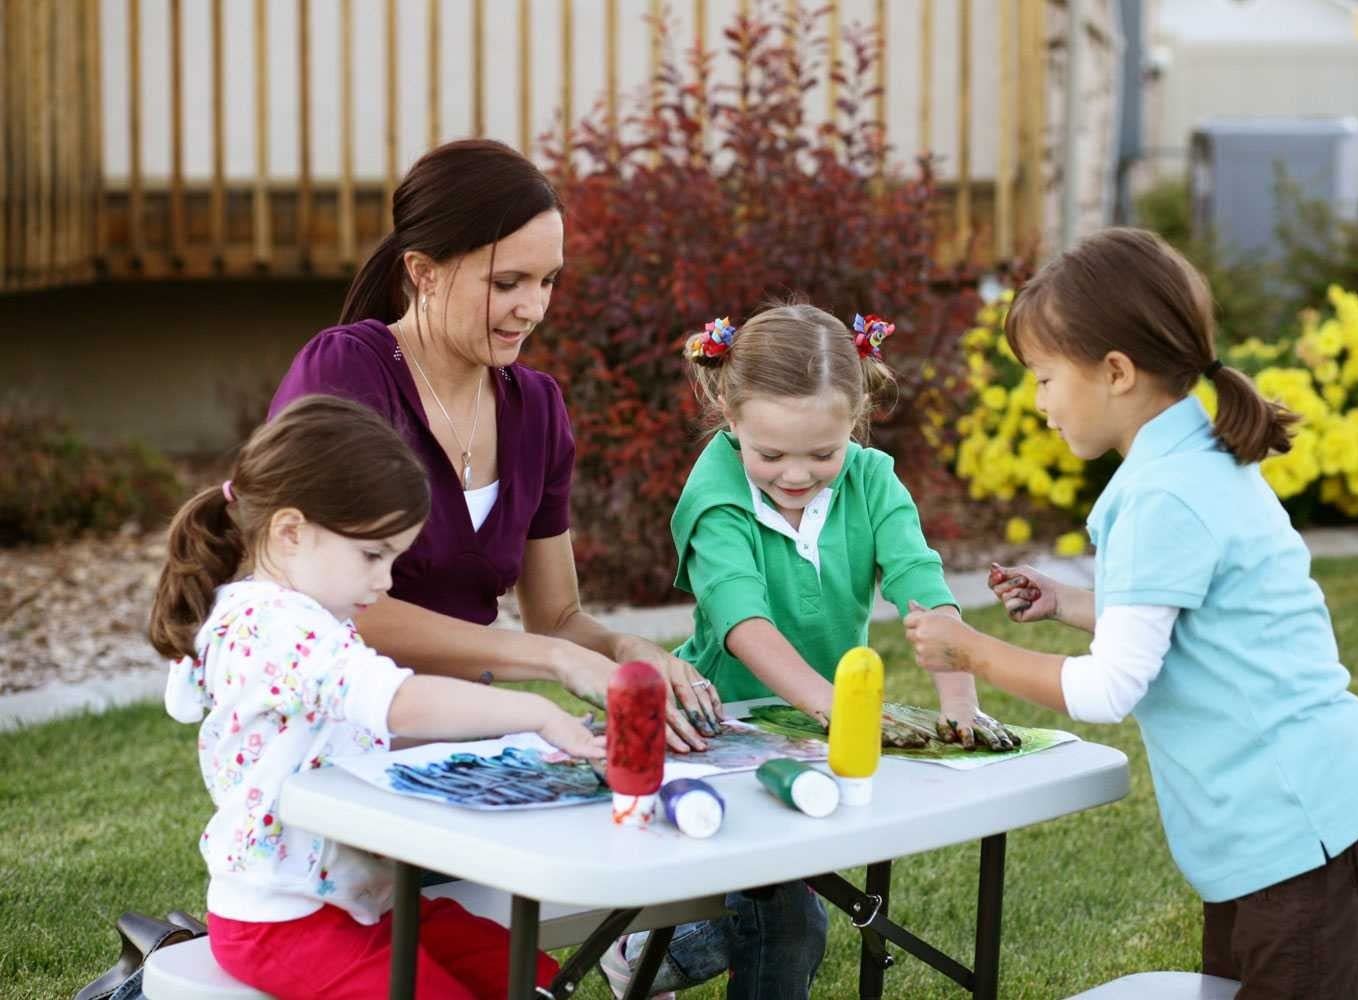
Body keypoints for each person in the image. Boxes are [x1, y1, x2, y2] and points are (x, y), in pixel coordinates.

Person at [904, 228, 1358, 999]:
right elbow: (1185, 617)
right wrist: (1070, 602)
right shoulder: (1191, 458)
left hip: (1297, 829)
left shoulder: (1160, 494)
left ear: (1115, 372)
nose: (1036, 402)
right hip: (1277, 825)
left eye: (1042, 378)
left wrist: (971, 650)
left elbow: (1109, 691)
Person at [601, 303, 1010, 1000]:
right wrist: (829, 705)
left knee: (786, 910)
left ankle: (648, 954)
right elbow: (742, 621)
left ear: (855, 420)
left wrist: (959, 699)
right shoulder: (715, 495)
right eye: (772, 454)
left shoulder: (873, 479)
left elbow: (921, 585)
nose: (797, 475)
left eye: (823, 453)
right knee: (791, 923)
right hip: (720, 729)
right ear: (730, 419)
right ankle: (642, 953)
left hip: (819, 735)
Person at [268, 138, 721, 753]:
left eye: (548, 281)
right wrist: (552, 660)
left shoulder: (536, 409)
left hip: (467, 733)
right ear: (423, 272)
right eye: (507, 282)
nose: (532, 308)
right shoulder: (348, 372)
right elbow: (345, 607)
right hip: (335, 731)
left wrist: (625, 650)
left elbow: (556, 616)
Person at [148, 394, 605, 1000]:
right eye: (372, 555)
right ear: (290, 533)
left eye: (393, 558)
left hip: (365, 905)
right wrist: (539, 714)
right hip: (281, 920)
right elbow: (398, 703)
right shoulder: (272, 626)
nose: (384, 581)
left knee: (532, 978)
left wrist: (514, 742)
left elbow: (369, 732)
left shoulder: (311, 617)